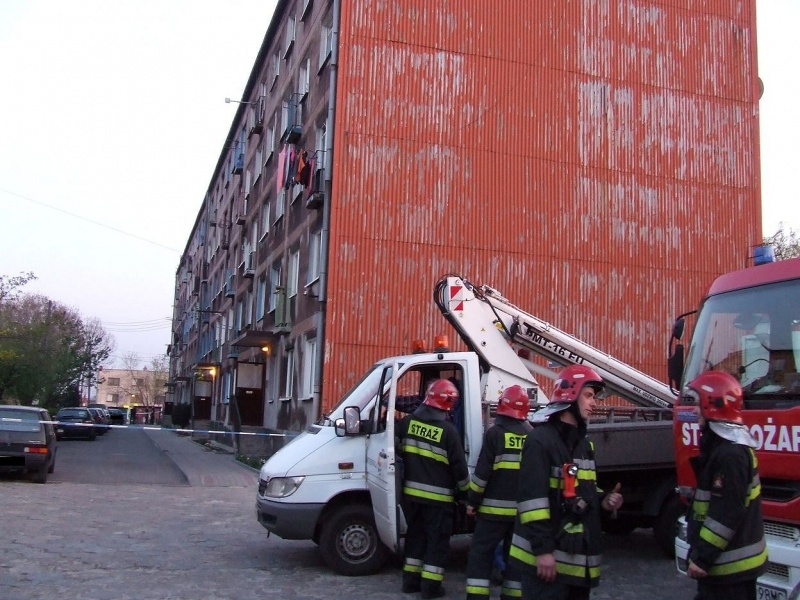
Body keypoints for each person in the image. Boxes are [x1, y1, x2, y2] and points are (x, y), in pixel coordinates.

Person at [509, 364, 623, 600]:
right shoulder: (539, 441)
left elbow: (586, 490)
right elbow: (533, 502)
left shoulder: (583, 444)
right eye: (589, 396)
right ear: (570, 395)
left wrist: (605, 502)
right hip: (546, 564)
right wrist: (543, 552)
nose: (594, 403)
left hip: (576, 566)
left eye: (595, 397)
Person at [683, 371, 767, 600]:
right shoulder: (727, 448)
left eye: (698, 404)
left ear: (713, 405)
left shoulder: (730, 454)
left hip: (729, 574)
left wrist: (702, 558)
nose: (693, 410)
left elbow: (725, 514)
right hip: (727, 571)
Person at [397, 378, 470, 599]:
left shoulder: (408, 423)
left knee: (415, 539)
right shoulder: (448, 431)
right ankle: (430, 588)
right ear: (448, 403)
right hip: (439, 501)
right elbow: (459, 469)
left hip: (411, 497)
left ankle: (410, 582)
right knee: (436, 544)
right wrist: (467, 496)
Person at [465, 385, 533, 600]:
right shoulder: (532, 436)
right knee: (515, 559)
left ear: (502, 405)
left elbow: (482, 474)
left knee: (480, 554)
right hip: (520, 513)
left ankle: (477, 597)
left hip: (492, 512)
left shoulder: (495, 434)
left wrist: (472, 501)